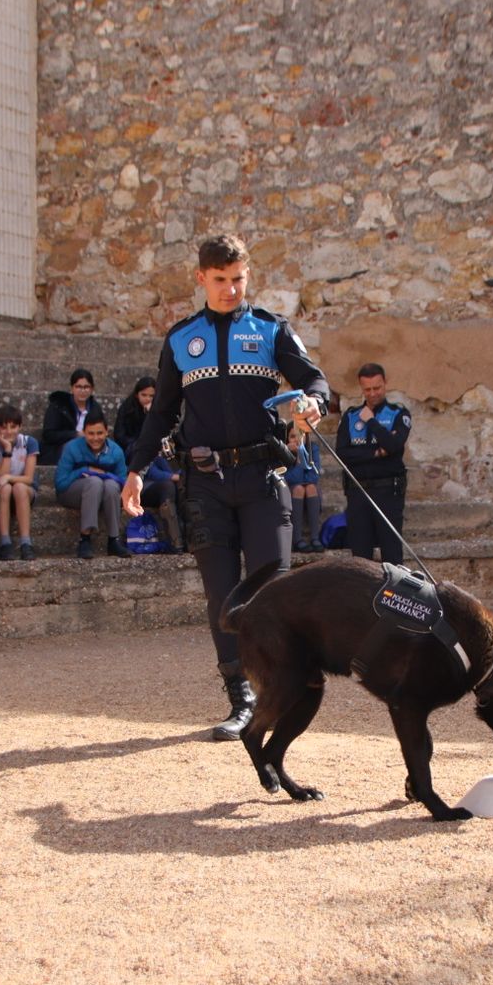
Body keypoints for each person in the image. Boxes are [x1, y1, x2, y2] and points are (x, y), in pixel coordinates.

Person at [121, 233, 328, 740]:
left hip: (263, 479)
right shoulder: (180, 339)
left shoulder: (270, 329)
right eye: (220, 281)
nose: (231, 289)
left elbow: (315, 380)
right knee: (222, 598)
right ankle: (242, 698)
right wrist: (136, 469)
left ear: (247, 276)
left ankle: (280, 688)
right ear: (201, 279)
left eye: (238, 279)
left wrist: (313, 403)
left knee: (273, 589)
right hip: (205, 484)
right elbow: (163, 412)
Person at [337, 362, 411, 565]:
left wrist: (371, 422)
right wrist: (378, 452)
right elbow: (343, 454)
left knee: (392, 556)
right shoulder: (351, 417)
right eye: (367, 389)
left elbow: (394, 446)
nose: (372, 394)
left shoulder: (398, 414)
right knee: (360, 558)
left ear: (385, 384)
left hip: (388, 492)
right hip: (358, 492)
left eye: (377, 388)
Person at [55, 410, 129, 559]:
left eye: (99, 433)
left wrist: (104, 474)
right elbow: (60, 484)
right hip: (73, 492)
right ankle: (85, 538)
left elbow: (123, 483)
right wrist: (84, 471)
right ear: (84, 432)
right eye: (91, 433)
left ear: (107, 432)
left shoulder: (116, 451)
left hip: (106, 494)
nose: (96, 438)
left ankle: (113, 539)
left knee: (111, 485)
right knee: (94, 482)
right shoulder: (71, 448)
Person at [0, 404, 39, 560]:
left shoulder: (29, 442)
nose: (9, 431)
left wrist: (9, 478)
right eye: (4, 427)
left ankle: (26, 543)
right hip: (3, 490)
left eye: (13, 426)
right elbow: (0, 476)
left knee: (18, 487)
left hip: (25, 489)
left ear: (20, 426)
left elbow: (29, 478)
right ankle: (5, 543)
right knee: (5, 489)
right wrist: (7, 450)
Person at [40, 368, 102, 463]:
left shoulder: (95, 408)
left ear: (92, 389)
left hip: (90, 445)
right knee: (73, 446)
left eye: (86, 387)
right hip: (60, 449)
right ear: (72, 388)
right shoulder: (59, 406)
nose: (82, 390)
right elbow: (48, 434)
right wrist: (75, 434)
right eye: (78, 387)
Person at [285, 425, 323, 552]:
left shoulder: (313, 449)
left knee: (311, 487)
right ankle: (297, 539)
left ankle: (315, 537)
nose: (296, 440)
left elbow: (314, 477)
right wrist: (299, 458)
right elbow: (290, 479)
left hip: (310, 490)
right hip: (291, 492)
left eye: (300, 435)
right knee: (299, 489)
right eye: (292, 436)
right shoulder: (283, 452)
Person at [112, 375, 156, 460]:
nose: (148, 399)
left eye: (151, 396)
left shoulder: (157, 410)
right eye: (144, 395)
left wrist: (150, 414)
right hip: (130, 447)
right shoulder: (127, 408)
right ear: (137, 395)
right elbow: (119, 434)